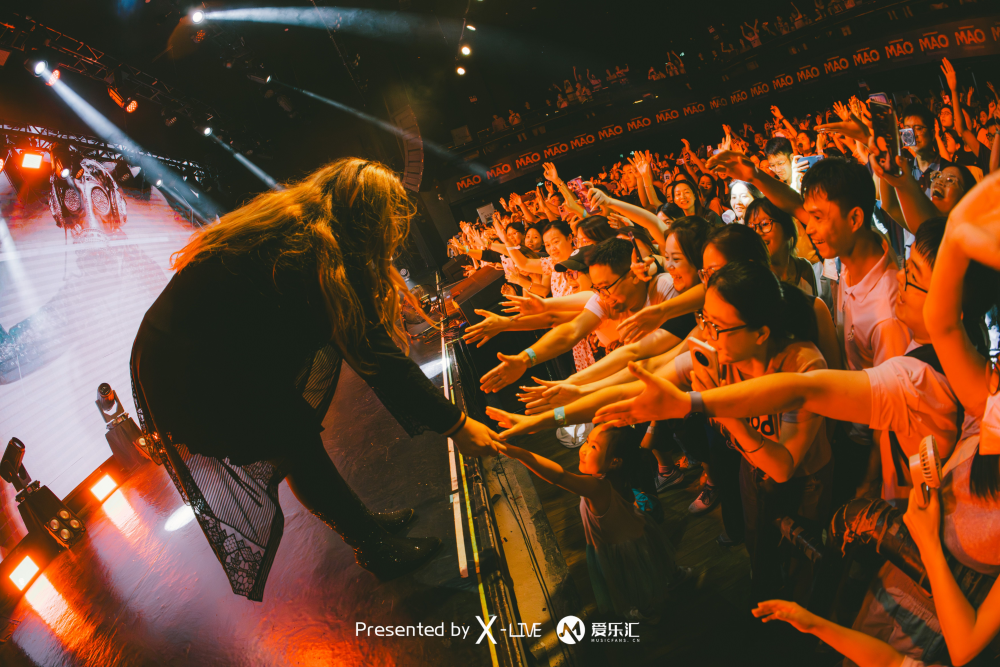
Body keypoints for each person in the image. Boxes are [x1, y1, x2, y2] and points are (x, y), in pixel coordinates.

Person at [129, 159, 502, 594]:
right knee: (293, 442)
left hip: (202, 353)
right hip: (190, 371)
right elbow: (374, 353)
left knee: (294, 435)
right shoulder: (308, 249)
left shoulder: (307, 228)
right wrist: (456, 425)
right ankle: (373, 548)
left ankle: (361, 524)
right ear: (365, 216)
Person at [495, 424, 687, 620]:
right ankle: (675, 576)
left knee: (637, 584)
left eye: (594, 446)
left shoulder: (597, 488)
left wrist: (518, 453)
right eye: (587, 441)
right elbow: (643, 447)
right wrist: (653, 424)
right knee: (655, 562)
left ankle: (649, 612)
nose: (584, 449)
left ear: (614, 462)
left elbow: (559, 476)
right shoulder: (626, 469)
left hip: (622, 548)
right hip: (639, 530)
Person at [478, 237, 681, 394]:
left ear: (633, 275)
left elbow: (636, 354)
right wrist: (525, 358)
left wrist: (575, 385)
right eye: (598, 288)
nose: (602, 295)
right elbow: (571, 331)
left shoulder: (665, 289)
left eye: (605, 287)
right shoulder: (603, 298)